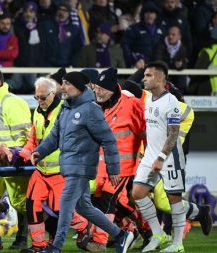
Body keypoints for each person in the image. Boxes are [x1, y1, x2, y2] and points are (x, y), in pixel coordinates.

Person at [31, 71, 134, 253]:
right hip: (69, 166)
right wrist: (40, 151)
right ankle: (120, 235)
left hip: (81, 167)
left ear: (78, 87)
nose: (63, 87)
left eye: (67, 84)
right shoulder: (65, 107)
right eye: (63, 83)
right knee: (84, 207)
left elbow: (108, 140)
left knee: (65, 205)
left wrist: (113, 169)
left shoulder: (91, 109)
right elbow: (54, 136)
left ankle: (56, 247)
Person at [132, 61, 211, 253]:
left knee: (173, 199)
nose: (144, 78)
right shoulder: (149, 98)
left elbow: (173, 133)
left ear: (160, 78)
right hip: (150, 154)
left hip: (169, 158)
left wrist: (160, 157)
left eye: (148, 75)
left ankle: (178, 244)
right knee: (137, 193)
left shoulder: (171, 102)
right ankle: (158, 233)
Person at [18, 77, 88, 252]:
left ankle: (84, 227)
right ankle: (38, 245)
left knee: (62, 211)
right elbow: (33, 139)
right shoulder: (38, 113)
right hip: (41, 171)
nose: (40, 101)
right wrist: (24, 154)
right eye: (37, 98)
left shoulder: (66, 111)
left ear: (53, 93)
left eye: (43, 97)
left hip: (61, 171)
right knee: (32, 204)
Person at [86, 67, 146, 251]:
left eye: (102, 89)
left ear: (113, 87)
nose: (98, 92)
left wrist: (152, 160)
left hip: (123, 166)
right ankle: (143, 229)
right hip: (100, 167)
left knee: (107, 201)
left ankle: (100, 241)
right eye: (96, 88)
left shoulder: (132, 104)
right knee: (112, 203)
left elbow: (146, 132)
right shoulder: (95, 105)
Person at [0, 68, 32, 250]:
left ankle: (27, 237)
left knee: (20, 202)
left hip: (12, 162)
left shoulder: (12, 102)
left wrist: (16, 157)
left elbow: (24, 135)